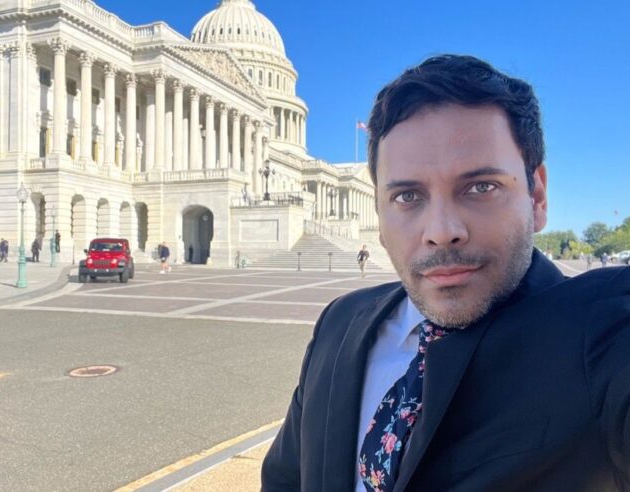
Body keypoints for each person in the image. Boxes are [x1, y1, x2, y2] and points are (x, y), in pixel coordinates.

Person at [261, 55, 630, 491]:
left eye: (481, 187)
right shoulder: (339, 323)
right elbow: (286, 478)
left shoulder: (601, 334)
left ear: (537, 198)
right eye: (407, 196)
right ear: (379, 214)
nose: (441, 231)